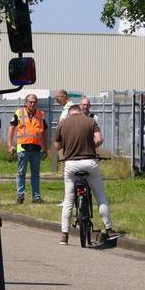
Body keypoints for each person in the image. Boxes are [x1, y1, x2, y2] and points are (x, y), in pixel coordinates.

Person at [56, 103, 122, 245]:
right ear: (80, 112)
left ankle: (64, 235)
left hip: (71, 164)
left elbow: (57, 146)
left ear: (69, 113)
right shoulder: (91, 121)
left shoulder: (63, 123)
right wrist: (90, 145)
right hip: (89, 163)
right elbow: (99, 139)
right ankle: (109, 229)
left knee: (68, 200)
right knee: (100, 196)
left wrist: (68, 145)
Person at [9, 93, 47, 204]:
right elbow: (11, 129)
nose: (32, 103)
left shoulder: (41, 114)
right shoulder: (19, 112)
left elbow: (44, 132)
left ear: (37, 103)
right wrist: (9, 145)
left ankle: (36, 197)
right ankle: (20, 196)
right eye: (30, 102)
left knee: (35, 174)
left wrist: (45, 147)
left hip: (36, 148)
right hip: (23, 148)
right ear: (26, 103)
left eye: (34, 101)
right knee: (21, 173)